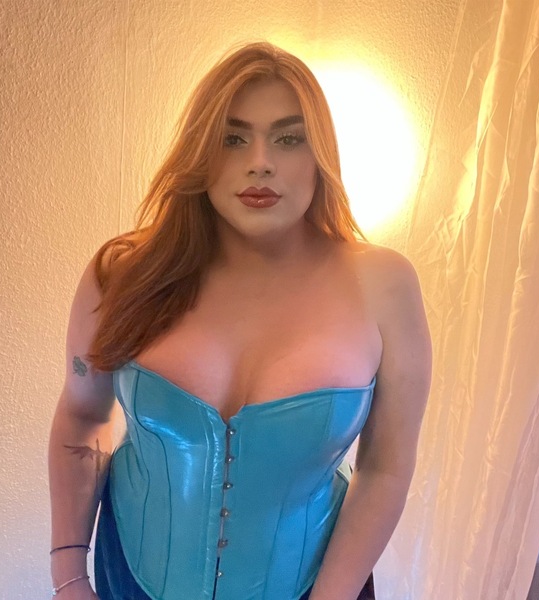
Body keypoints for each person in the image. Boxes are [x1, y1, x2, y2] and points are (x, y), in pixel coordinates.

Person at [48, 41, 432, 600]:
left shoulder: (384, 285)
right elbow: (81, 418)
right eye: (232, 138)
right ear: (201, 150)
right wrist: (68, 576)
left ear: (320, 154)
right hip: (128, 576)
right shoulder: (123, 273)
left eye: (289, 138)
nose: (260, 161)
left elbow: (386, 468)